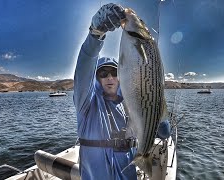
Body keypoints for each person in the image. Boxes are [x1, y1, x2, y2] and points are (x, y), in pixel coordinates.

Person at [73, 3, 170, 180]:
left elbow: (157, 126)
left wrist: (161, 120)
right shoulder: (86, 105)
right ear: (97, 78)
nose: (109, 77)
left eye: (114, 72)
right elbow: (85, 64)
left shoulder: (131, 106)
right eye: (103, 73)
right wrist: (95, 34)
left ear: (122, 74)